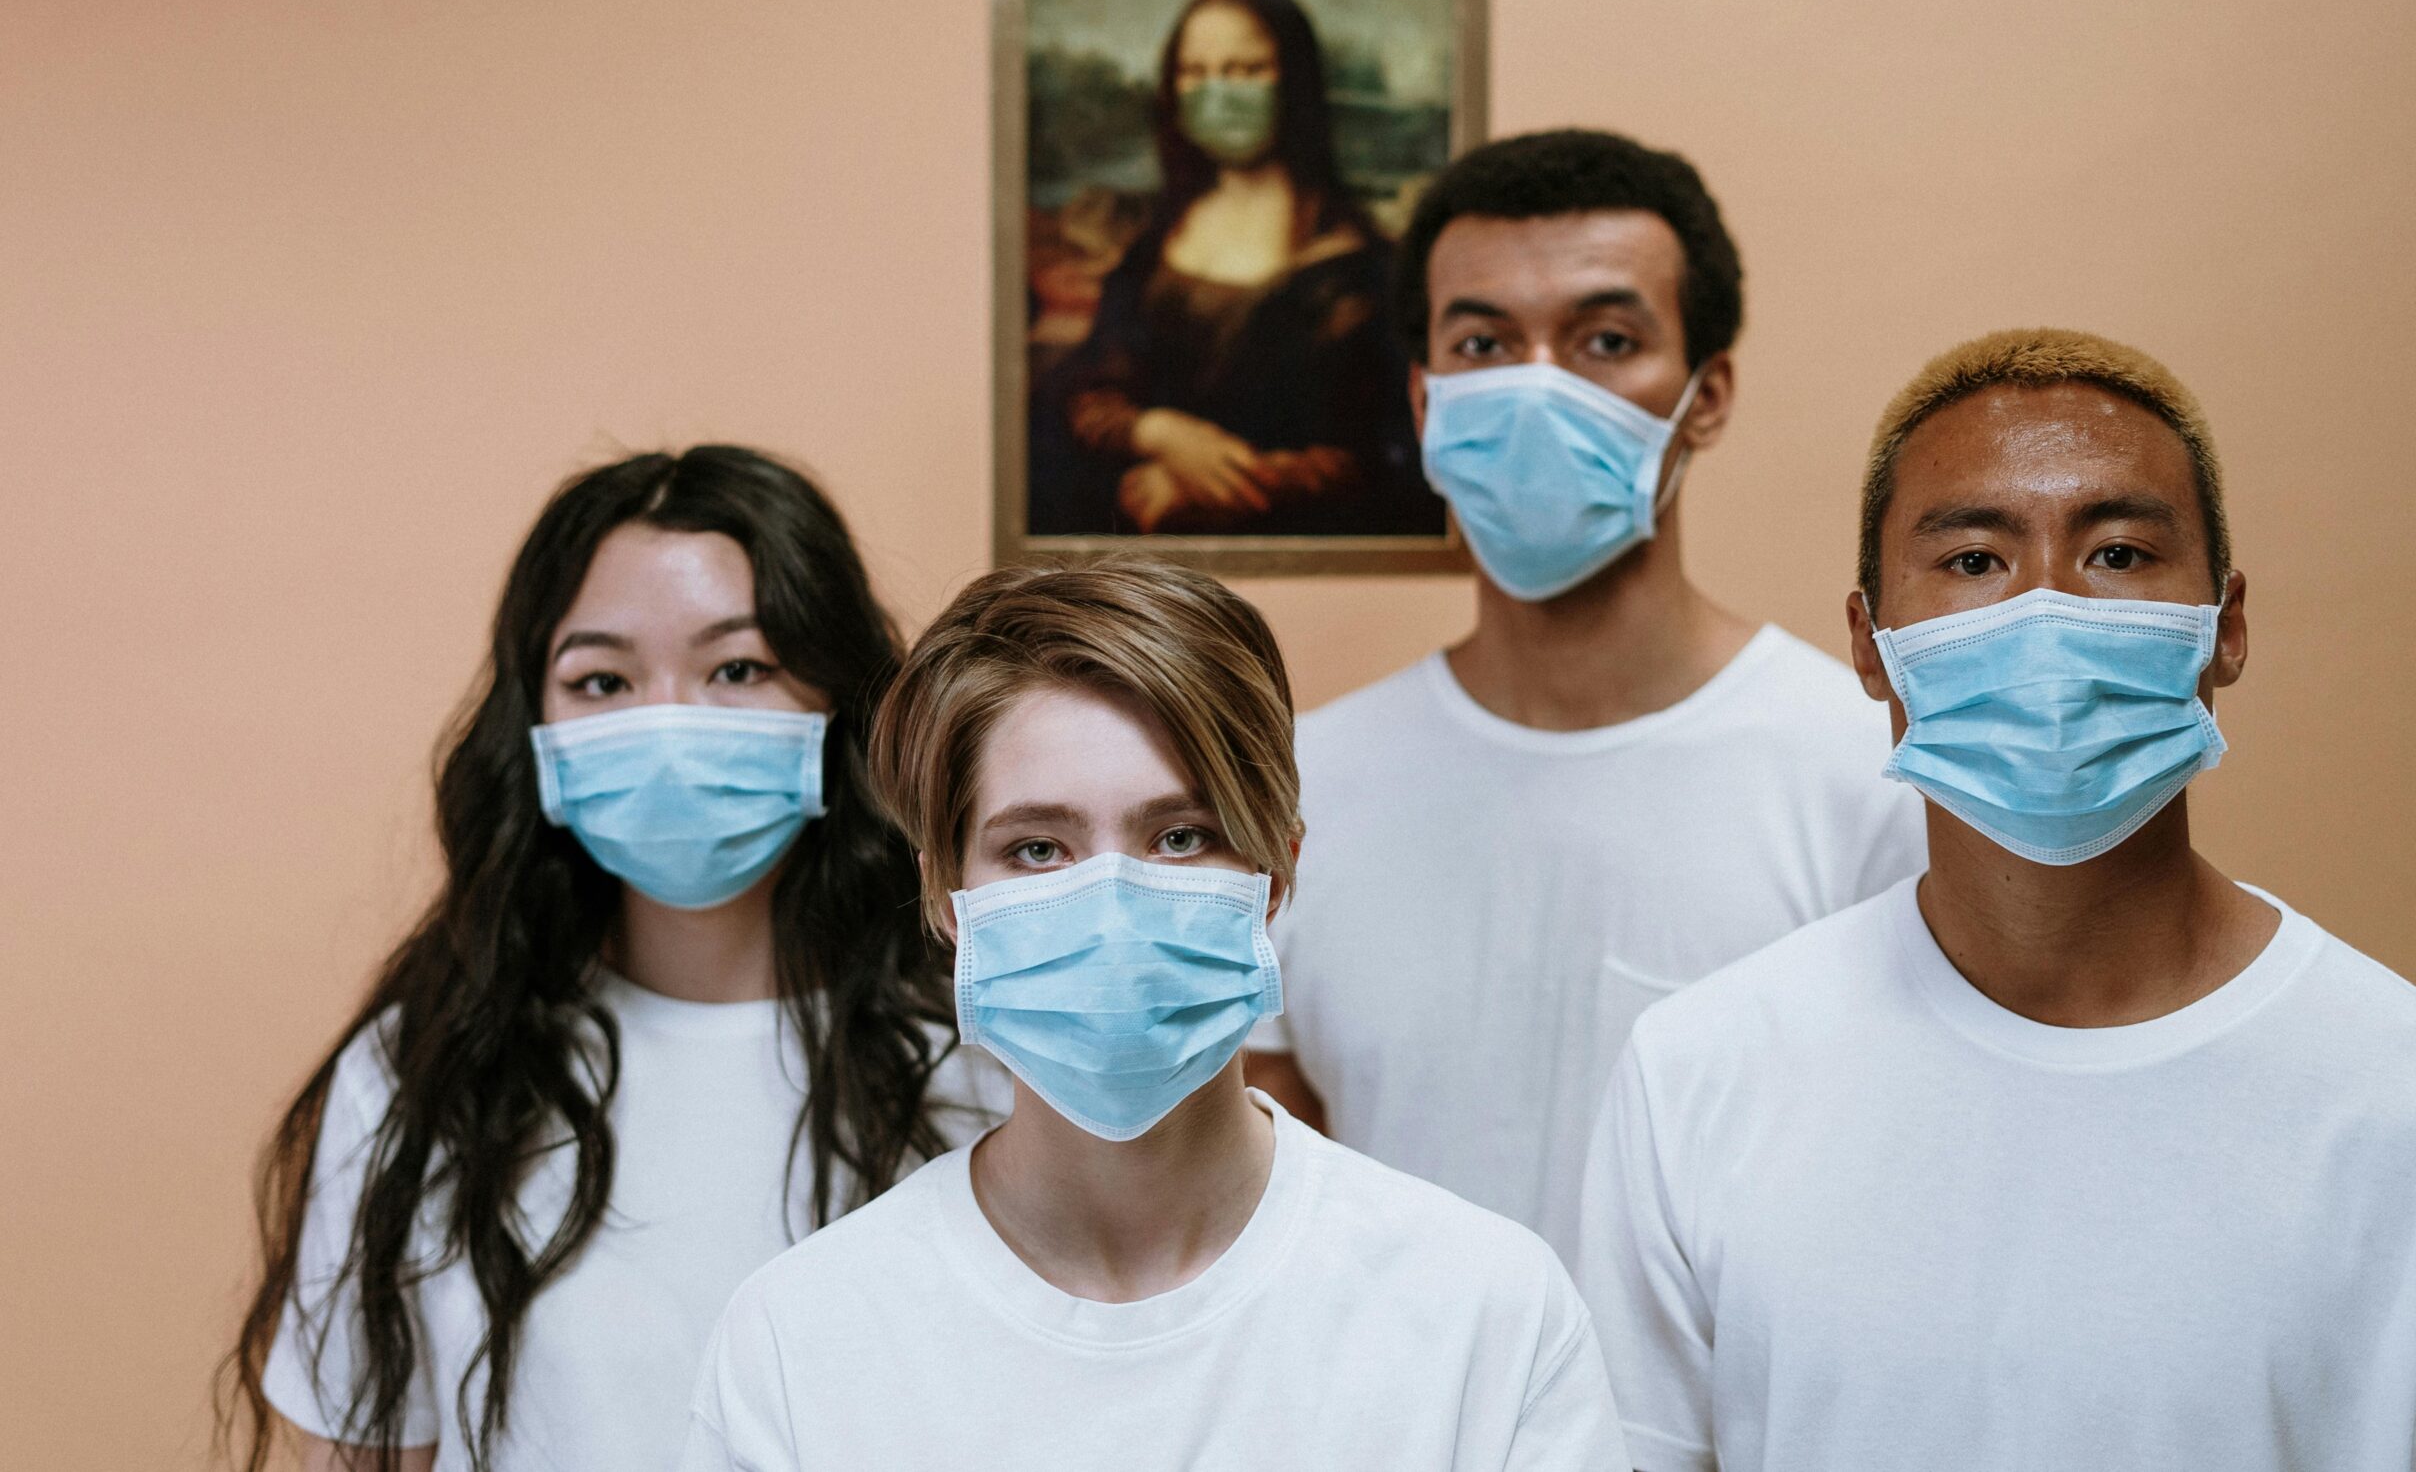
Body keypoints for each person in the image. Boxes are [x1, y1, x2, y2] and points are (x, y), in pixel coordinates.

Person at [1579, 330, 2416, 1471]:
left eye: (2118, 555)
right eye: (1976, 562)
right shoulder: (1700, 1077)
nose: (2044, 618)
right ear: (1869, 643)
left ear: (2225, 627)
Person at [679, 561, 1628, 1471]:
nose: (1113, 901)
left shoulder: (1484, 1316)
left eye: (1180, 838)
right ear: (944, 896)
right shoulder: (803, 1342)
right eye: (1039, 848)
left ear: (1275, 872)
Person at [225, 447, 1002, 1472]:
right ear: (534, 729)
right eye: (602, 679)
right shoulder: (424, 1076)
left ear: (839, 707)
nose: (668, 724)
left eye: (738, 669)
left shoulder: (989, 1053)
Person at [1243, 128, 1925, 1263]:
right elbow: (1273, 1198)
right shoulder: (1302, 789)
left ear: (1705, 398)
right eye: (1484, 342)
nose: (1539, 387)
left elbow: (1908, 1190)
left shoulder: (1867, 778)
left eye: (1606, 339)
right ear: (1424, 401)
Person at [1029, 0, 1439, 537]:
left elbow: (1386, 456)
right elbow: (1085, 389)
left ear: (1294, 81)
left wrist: (1210, 485)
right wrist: (1158, 432)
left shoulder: (1362, 267)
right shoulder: (1153, 246)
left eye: (1246, 71)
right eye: (1195, 73)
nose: (1218, 92)